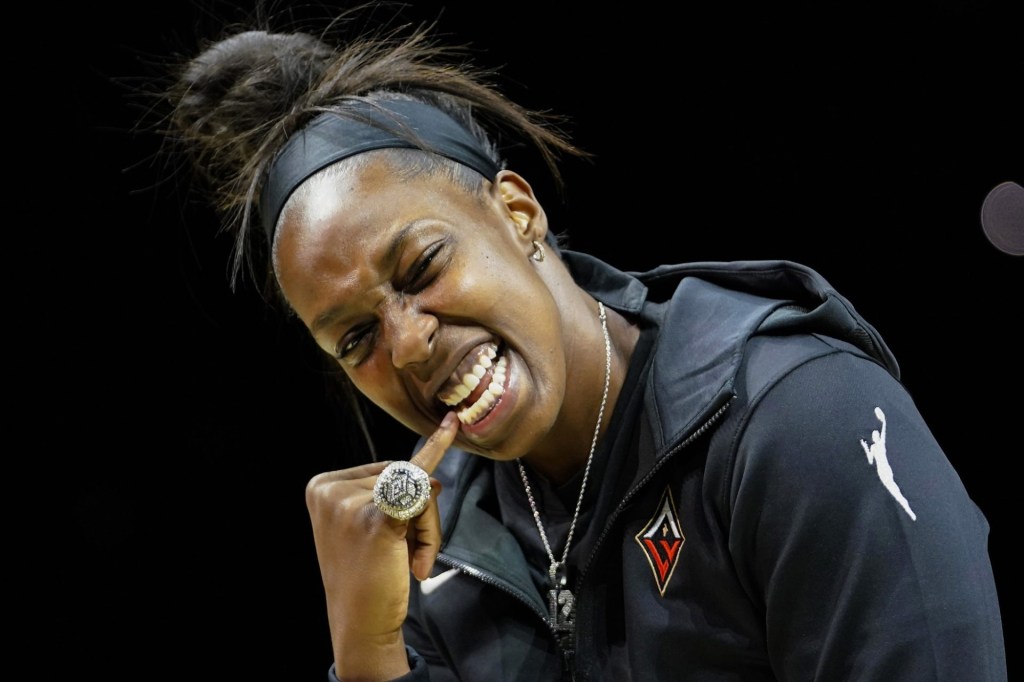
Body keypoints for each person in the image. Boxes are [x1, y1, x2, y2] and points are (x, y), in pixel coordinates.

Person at [155, 5, 1007, 680]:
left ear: (517, 213)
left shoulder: (797, 422)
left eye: (422, 267)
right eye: (355, 338)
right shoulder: (428, 557)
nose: (407, 346)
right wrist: (368, 655)